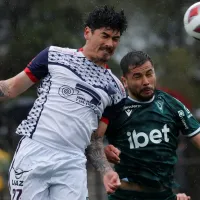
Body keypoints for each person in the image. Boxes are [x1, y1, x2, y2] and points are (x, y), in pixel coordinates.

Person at [0, 5, 127, 200]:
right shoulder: (54, 56)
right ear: (87, 32)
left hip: (73, 162)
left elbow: (95, 140)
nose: (110, 43)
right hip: (35, 151)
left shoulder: (116, 89)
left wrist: (106, 171)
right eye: (105, 35)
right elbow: (10, 88)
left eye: (115, 39)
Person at [90, 50, 199, 200]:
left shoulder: (172, 105)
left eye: (149, 74)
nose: (146, 81)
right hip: (126, 196)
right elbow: (91, 142)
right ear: (124, 81)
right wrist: (104, 154)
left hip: (165, 195)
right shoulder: (114, 108)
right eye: (138, 76)